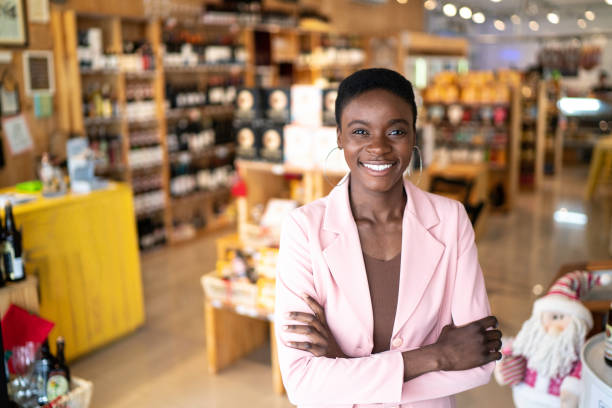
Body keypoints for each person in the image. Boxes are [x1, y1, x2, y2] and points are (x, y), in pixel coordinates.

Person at [274, 68, 502, 408]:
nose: (378, 147)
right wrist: (434, 357)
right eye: (360, 131)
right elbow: (302, 383)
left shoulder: (451, 220)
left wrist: (345, 368)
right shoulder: (303, 230)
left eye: (395, 130)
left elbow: (479, 361)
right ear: (339, 137)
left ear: (413, 136)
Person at [494, 270, 606, 408]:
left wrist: (571, 392)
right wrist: (507, 362)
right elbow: (515, 348)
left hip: (555, 401)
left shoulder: (576, 350)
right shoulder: (531, 340)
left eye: (562, 318)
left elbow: (579, 371)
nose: (556, 325)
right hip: (525, 396)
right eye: (553, 317)